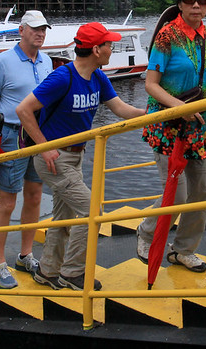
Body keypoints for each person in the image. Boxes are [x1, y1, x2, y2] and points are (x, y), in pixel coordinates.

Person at [17, 22, 145, 291]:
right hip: (53, 158)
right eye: (109, 44)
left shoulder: (98, 77)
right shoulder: (63, 77)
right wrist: (43, 146)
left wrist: (152, 115)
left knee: (64, 217)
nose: (112, 48)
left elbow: (120, 109)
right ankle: (73, 273)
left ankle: (49, 271)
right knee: (91, 211)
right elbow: (23, 110)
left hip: (74, 156)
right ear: (96, 49)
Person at [136, 0, 206, 273]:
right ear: (180, 3)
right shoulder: (167, 37)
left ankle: (184, 249)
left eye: (202, 0)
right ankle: (146, 233)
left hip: (200, 127)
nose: (196, 5)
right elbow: (151, 84)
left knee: (202, 192)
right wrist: (178, 108)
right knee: (177, 193)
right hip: (170, 127)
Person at [0, 10, 53, 289]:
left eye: (43, 29)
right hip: (10, 133)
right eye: (35, 29)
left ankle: (25, 255)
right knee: (7, 200)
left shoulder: (46, 61)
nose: (40, 33)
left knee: (34, 196)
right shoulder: (3, 61)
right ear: (21, 30)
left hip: (37, 133)